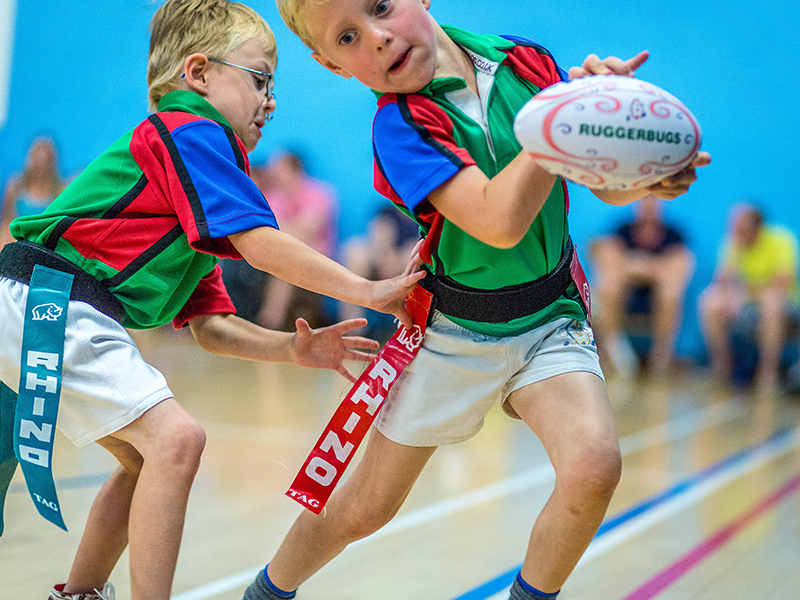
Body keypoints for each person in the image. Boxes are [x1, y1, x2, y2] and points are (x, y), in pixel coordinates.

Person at [240, 1, 711, 599]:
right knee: (364, 509)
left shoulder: (525, 62)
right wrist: (561, 123)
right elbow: (498, 220)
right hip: (452, 332)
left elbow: (597, 184)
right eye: (350, 37)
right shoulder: (400, 128)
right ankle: (267, 591)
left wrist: (637, 165)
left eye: (382, 6)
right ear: (333, 65)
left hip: (550, 316)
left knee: (594, 467)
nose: (380, 38)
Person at [0, 2, 424, 599]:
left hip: (35, 301)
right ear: (198, 75)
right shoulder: (189, 128)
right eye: (259, 79)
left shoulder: (189, 176)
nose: (270, 101)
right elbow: (260, 244)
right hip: (50, 298)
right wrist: (369, 290)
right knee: (176, 440)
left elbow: (212, 325)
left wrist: (294, 351)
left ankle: (79, 594)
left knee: (144, 457)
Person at [590, 195, 695, 377]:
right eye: (644, 202)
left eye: (653, 202)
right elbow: (607, 259)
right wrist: (654, 267)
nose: (648, 207)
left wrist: (641, 266)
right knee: (608, 285)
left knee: (671, 291)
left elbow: (681, 266)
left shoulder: (674, 234)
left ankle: (661, 357)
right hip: (626, 294)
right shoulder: (622, 230)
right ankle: (612, 352)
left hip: (656, 297)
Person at [698, 202, 800, 389]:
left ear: (756, 226)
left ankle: (767, 374)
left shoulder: (782, 240)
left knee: (772, 302)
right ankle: (723, 368)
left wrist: (744, 293)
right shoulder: (732, 243)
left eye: (738, 225)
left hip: (786, 307)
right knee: (709, 300)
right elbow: (722, 281)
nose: (733, 229)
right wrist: (730, 292)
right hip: (747, 304)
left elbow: (782, 284)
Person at [255, 150, 339, 330]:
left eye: (278, 168)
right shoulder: (273, 197)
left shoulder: (320, 192)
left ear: (294, 169)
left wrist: (285, 229)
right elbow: (267, 231)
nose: (272, 172)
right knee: (285, 261)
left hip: (317, 255)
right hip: (280, 255)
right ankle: (271, 322)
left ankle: (270, 322)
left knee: (286, 264)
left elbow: (308, 230)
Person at [340, 204, 421, 341]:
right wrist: (385, 258)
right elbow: (378, 237)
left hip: (409, 263)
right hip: (380, 260)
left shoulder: (424, 217)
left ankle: (410, 330)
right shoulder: (386, 213)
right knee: (354, 251)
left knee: (413, 253)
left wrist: (398, 260)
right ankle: (353, 329)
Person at [0, 136, 65, 247]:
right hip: (15, 243)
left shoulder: (61, 191)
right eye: (38, 158)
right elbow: (6, 221)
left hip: (45, 245)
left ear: (52, 160)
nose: (41, 164)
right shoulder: (16, 185)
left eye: (46, 159)